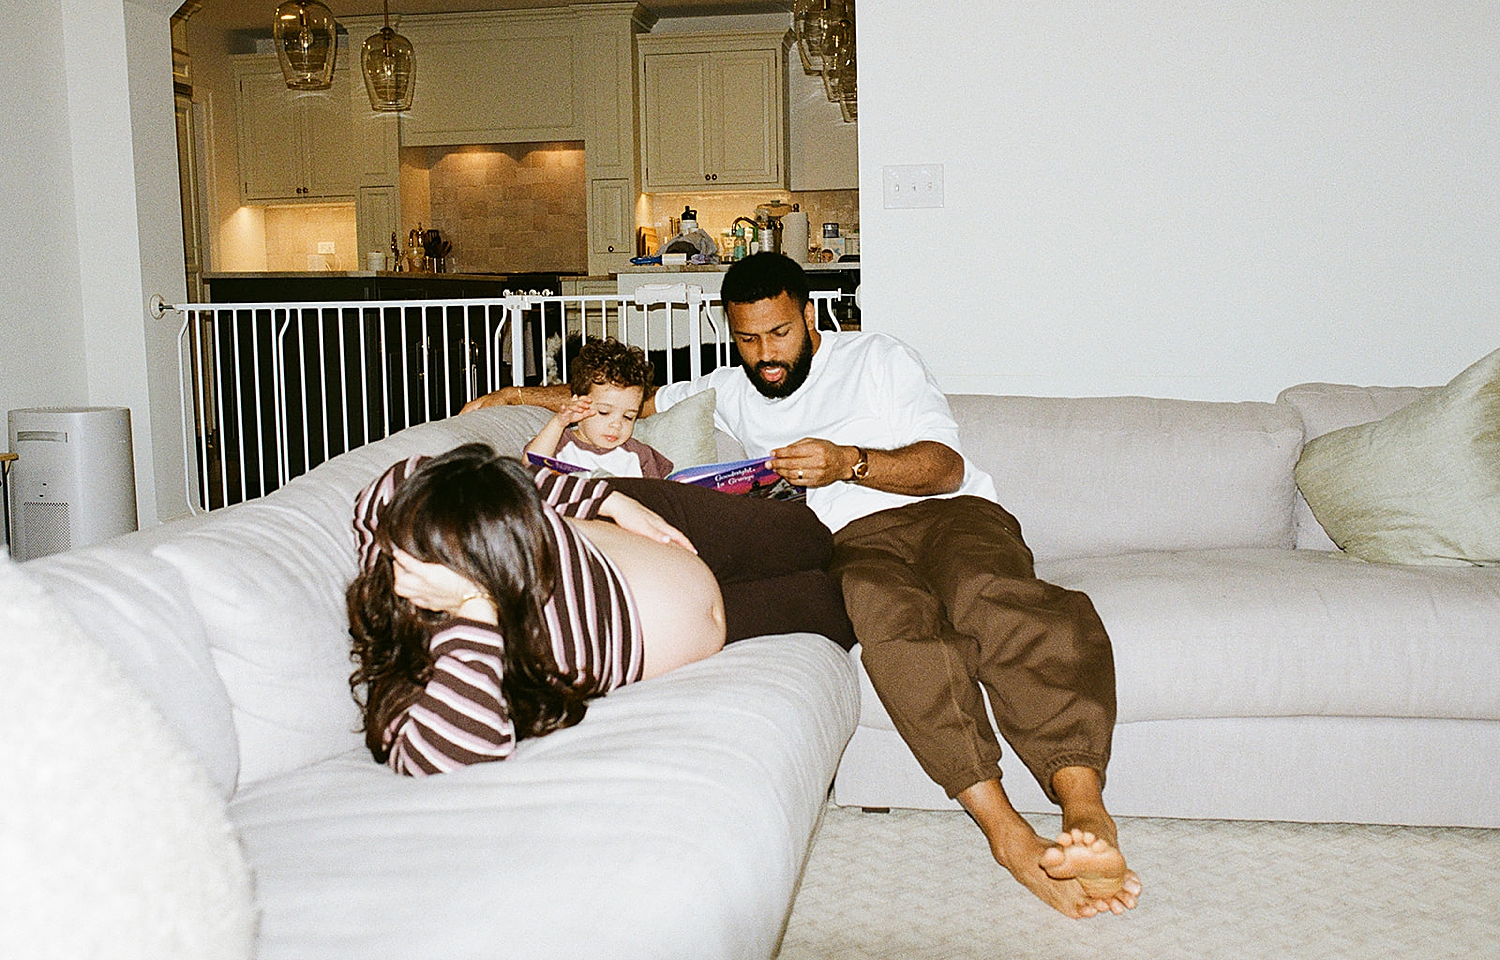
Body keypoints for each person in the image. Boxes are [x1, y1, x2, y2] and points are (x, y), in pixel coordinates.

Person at [463, 253, 1140, 919]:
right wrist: (517, 397)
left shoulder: (878, 357)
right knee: (891, 626)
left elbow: (943, 466)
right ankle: (1006, 833)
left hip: (950, 516)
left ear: (808, 315)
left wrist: (849, 463)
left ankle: (1085, 808)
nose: (766, 354)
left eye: (779, 333)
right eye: (747, 338)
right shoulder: (730, 387)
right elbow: (629, 402)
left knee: (994, 597)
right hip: (852, 546)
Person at [347, 442, 853, 776]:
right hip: (725, 624)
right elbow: (449, 752)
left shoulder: (392, 508)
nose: (403, 567)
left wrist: (606, 500)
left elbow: (477, 478)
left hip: (656, 527)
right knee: (832, 603)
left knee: (811, 536)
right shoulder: (433, 661)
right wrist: (474, 609)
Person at [524, 337, 674, 478]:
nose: (617, 424)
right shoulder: (558, 442)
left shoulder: (640, 455)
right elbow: (529, 465)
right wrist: (558, 423)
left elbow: (659, 494)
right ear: (578, 404)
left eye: (628, 417)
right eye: (604, 412)